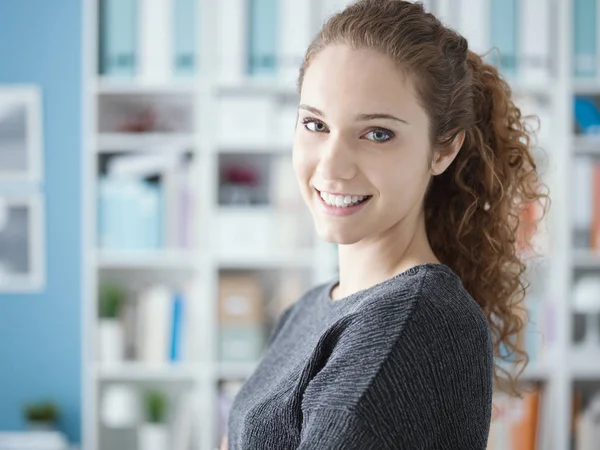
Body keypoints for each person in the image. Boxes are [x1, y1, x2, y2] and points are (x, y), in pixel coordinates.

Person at [221, 0, 549, 448]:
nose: (332, 168)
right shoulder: (312, 308)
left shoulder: (414, 323)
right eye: (315, 124)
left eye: (377, 133)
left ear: (443, 150)